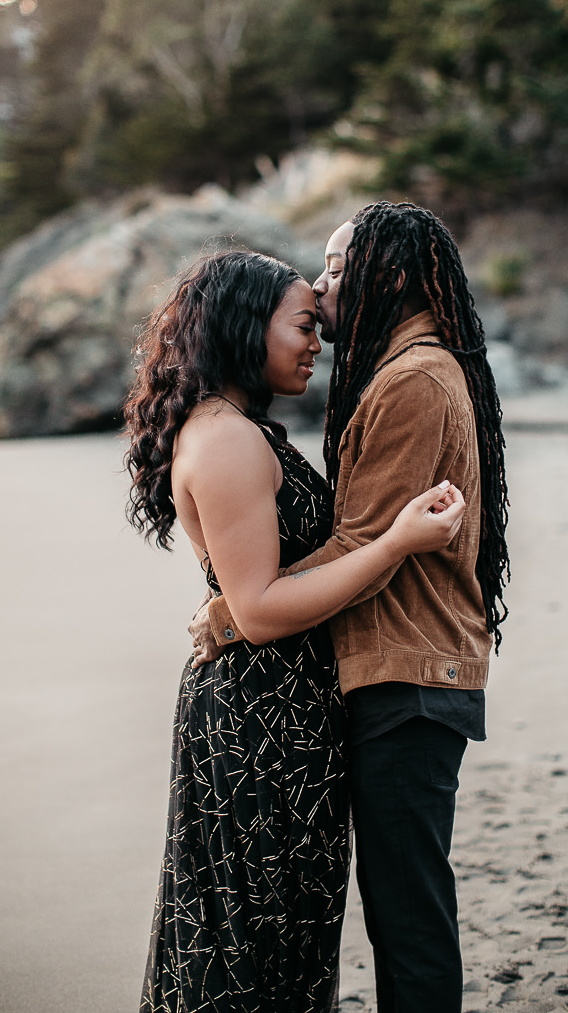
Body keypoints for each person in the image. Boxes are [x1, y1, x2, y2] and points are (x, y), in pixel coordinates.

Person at [123, 248, 466, 1013]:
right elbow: (258, 609)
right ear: (248, 326)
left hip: (284, 713)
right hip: (256, 722)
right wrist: (397, 543)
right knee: (255, 943)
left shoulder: (241, 429)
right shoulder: (225, 439)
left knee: (287, 936)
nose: (318, 343)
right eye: (303, 326)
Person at [195, 204, 509, 1013]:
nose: (322, 286)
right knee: (401, 907)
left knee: (407, 918)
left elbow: (365, 542)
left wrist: (233, 612)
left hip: (408, 675)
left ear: (391, 276)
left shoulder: (411, 381)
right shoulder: (407, 370)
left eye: (336, 269)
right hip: (407, 669)